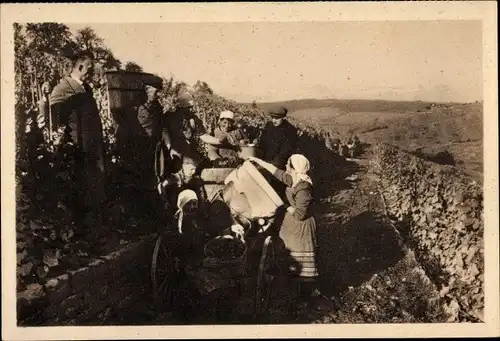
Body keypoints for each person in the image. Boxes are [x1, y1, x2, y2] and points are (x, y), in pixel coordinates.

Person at [49, 51, 106, 237]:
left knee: (93, 188)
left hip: (92, 148)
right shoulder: (63, 89)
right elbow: (56, 122)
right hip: (78, 148)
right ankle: (81, 233)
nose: (91, 71)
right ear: (81, 66)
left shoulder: (86, 88)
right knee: (80, 189)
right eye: (90, 67)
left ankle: (92, 232)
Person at [248, 154, 319, 296]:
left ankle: (307, 292)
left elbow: (300, 214)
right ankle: (293, 288)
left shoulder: (303, 188)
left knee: (301, 259)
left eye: (288, 164)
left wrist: (283, 205)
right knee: (290, 255)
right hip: (292, 224)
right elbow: (275, 171)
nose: (285, 166)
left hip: (301, 226)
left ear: (294, 168)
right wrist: (256, 160)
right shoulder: (294, 179)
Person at [163, 91, 222, 170]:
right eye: (188, 108)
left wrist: (219, 141)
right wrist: (169, 148)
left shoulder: (193, 119)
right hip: (173, 150)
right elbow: (165, 133)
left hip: (188, 151)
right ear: (180, 107)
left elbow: (203, 136)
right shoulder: (169, 117)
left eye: (191, 107)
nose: (191, 110)